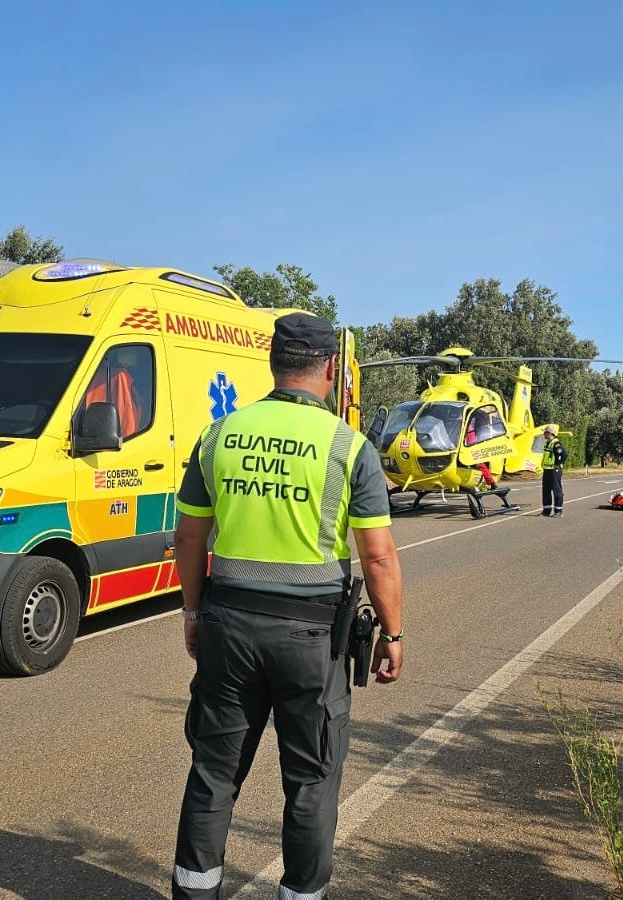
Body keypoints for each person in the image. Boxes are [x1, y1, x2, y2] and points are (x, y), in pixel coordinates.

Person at [170, 312, 404, 900]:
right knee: (310, 781)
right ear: (330, 368)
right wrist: (392, 635)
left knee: (214, 774)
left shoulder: (219, 435)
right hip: (311, 640)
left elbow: (190, 538)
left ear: (273, 364)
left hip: (228, 626)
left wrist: (194, 614)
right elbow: (376, 559)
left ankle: (195, 892)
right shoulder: (350, 448)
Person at [541, 425, 567, 517]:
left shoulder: (556, 443)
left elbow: (564, 454)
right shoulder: (548, 443)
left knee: (556, 490)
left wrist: (558, 463)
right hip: (547, 470)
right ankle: (546, 510)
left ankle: (558, 511)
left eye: (545, 433)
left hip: (554, 470)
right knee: (546, 490)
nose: (544, 434)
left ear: (550, 433)